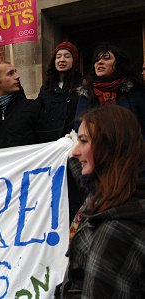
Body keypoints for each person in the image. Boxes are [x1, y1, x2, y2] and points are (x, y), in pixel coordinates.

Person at [56, 105, 145, 298]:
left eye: (84, 141)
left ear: (109, 147)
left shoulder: (116, 229)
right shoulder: (111, 197)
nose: (75, 151)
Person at [74, 44, 145, 138]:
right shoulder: (87, 93)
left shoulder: (135, 91)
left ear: (119, 63)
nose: (99, 62)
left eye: (106, 58)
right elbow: (78, 128)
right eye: (97, 60)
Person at [37, 41, 83, 142]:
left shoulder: (83, 86)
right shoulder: (46, 88)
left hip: (73, 143)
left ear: (74, 60)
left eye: (67, 56)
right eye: (58, 57)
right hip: (50, 144)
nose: (62, 60)